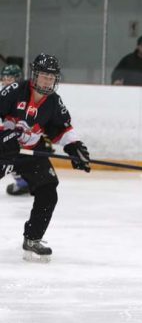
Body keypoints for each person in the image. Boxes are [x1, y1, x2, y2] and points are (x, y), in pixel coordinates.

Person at [0, 53, 91, 262]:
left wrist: (75, 148)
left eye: (52, 78)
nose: (48, 81)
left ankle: (32, 239)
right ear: (35, 75)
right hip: (4, 150)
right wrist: (4, 136)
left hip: (31, 152)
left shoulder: (53, 102)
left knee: (48, 191)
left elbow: (62, 128)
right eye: (44, 76)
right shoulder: (15, 90)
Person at [1, 64, 31, 196]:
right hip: (13, 134)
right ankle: (24, 182)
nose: (6, 80)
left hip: (25, 134)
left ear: (18, 79)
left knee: (11, 153)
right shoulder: (4, 95)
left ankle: (27, 182)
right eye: (4, 77)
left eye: (10, 77)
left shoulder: (24, 95)